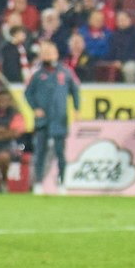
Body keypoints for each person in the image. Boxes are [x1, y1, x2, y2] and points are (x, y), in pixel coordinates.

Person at [24, 38, 79, 193]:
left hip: (59, 118)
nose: (48, 55)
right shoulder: (36, 74)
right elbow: (28, 94)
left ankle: (62, 182)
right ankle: (39, 182)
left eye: (50, 52)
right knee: (39, 151)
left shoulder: (65, 72)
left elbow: (75, 90)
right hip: (42, 119)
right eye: (45, 52)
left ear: (56, 54)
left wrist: (76, 108)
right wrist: (35, 108)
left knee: (60, 152)